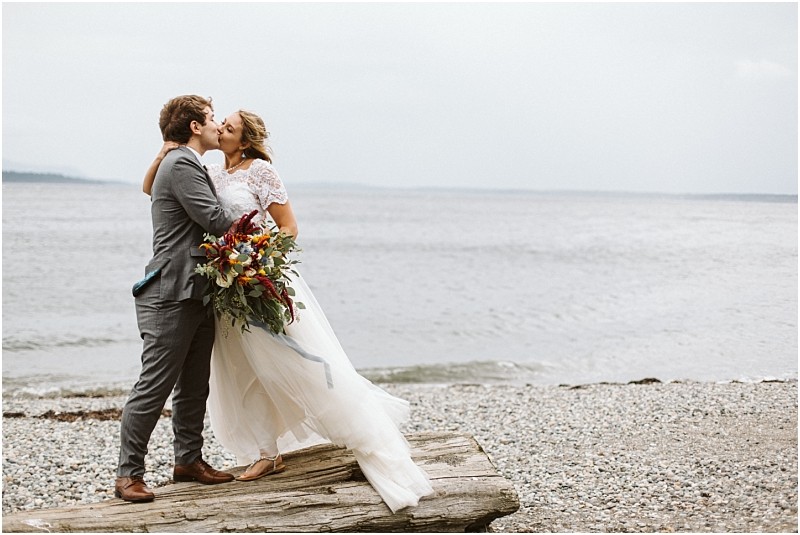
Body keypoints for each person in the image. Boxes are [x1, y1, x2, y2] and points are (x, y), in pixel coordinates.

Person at [142, 109, 433, 513]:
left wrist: (258, 261)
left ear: (243, 140)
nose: (221, 129)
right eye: (220, 124)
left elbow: (289, 227)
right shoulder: (207, 172)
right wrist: (165, 150)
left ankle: (356, 422)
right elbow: (150, 187)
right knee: (245, 368)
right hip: (228, 286)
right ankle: (267, 451)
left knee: (294, 360)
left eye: (229, 127)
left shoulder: (261, 172)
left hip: (258, 280)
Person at [116, 95, 238, 503]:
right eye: (211, 118)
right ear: (193, 127)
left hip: (197, 288)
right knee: (153, 387)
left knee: (193, 385)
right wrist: (248, 207)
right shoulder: (182, 163)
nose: (217, 124)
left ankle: (188, 460)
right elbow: (217, 220)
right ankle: (128, 474)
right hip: (170, 292)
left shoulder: (185, 162)